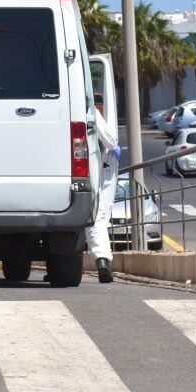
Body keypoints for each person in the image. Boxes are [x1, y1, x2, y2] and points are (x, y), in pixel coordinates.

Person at [87, 106, 121, 284]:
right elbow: (107, 138)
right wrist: (114, 147)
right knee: (96, 218)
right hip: (87, 172)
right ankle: (102, 261)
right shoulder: (89, 111)